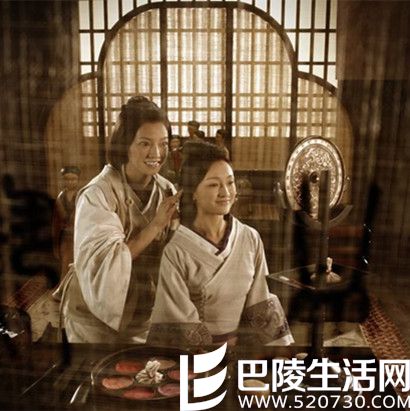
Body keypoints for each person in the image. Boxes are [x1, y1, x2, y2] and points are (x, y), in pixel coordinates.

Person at [147, 142, 293, 347]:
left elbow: (261, 304)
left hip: (240, 350)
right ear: (193, 192)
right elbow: (177, 320)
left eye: (230, 182)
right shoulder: (176, 251)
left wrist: (279, 353)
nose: (226, 192)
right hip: (196, 355)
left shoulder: (249, 237)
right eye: (214, 185)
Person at [61, 96, 180, 343]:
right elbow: (109, 263)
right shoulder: (98, 194)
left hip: (142, 310)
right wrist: (156, 225)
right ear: (125, 144)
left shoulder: (166, 189)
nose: (156, 153)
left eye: (163, 144)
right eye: (145, 143)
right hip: (93, 314)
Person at [52, 166, 81, 281]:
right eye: (67, 179)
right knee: (65, 263)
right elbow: (56, 221)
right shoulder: (60, 198)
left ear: (77, 180)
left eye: (73, 179)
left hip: (79, 235)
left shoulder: (81, 196)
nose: (70, 182)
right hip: (65, 237)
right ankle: (64, 287)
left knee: (79, 261)